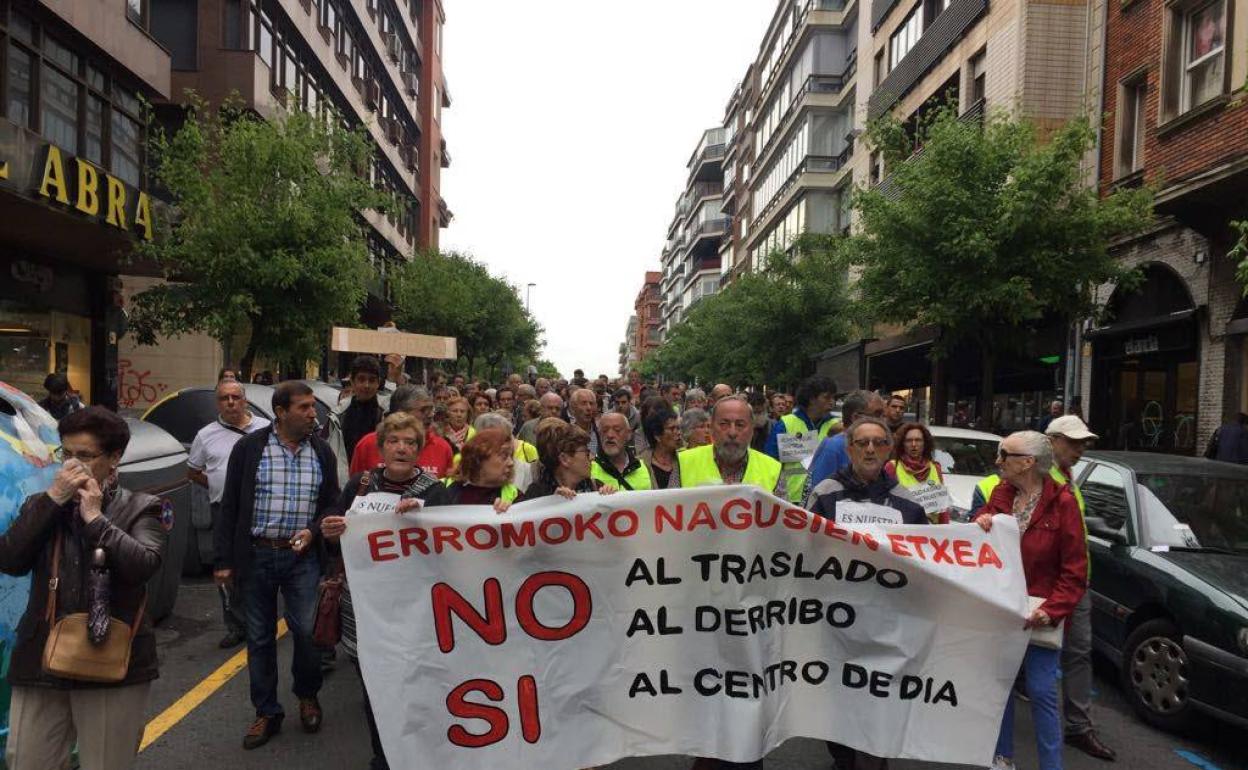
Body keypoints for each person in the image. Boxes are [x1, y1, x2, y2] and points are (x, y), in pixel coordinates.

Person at [0, 408, 166, 770]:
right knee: (26, 759)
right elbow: (10, 559)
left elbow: (143, 566)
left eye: (85, 456)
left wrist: (96, 521)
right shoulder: (41, 505)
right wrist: (52, 501)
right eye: (66, 454)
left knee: (105, 762)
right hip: (41, 658)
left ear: (114, 458)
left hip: (109, 656)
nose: (72, 466)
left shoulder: (142, 508)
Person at [216, 381, 340, 749]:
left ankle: (307, 693)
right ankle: (267, 711)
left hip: (301, 558)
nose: (311, 413)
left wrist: (313, 530)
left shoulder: (321, 453)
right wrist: (224, 560)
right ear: (281, 411)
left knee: (305, 631)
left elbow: (331, 504)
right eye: (303, 407)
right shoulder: (249, 449)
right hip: (256, 556)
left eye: (312, 407)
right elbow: (230, 506)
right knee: (259, 638)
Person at [322, 413, 447, 770]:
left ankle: (420, 756)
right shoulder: (360, 486)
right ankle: (384, 757)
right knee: (376, 690)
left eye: (410, 442)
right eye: (394, 441)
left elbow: (450, 549)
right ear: (381, 447)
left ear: (420, 450)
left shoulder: (436, 492)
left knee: (417, 688)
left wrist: (421, 519)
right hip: (366, 610)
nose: (402, 448)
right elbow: (338, 538)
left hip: (416, 611)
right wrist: (330, 533)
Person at [804, 415, 926, 770]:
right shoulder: (826, 493)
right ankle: (843, 758)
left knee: (879, 695)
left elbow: (926, 563)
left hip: (886, 622)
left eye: (879, 442)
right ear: (849, 448)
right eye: (862, 443)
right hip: (836, 617)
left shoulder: (908, 504)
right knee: (838, 694)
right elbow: (805, 550)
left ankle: (874, 757)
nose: (870, 449)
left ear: (889, 449)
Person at [975, 431, 1088, 770]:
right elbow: (983, 529)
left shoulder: (1064, 503)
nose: (998, 461)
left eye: (1004, 454)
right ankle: (1002, 757)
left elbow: (1074, 571)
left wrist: (1050, 611)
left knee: (1041, 691)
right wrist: (980, 520)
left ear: (1027, 462)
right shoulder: (1001, 492)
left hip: (1040, 612)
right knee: (1002, 687)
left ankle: (1051, 765)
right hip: (1003, 608)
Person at [1043, 416, 1115, 761]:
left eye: (1083, 442)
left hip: (1077, 583)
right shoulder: (1039, 477)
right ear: (1052, 440)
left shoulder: (1070, 478)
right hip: (1044, 583)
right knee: (1033, 653)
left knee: (1079, 652)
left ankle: (1078, 727)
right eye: (1073, 442)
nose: (1080, 448)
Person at [188, 379, 271, 648]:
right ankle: (235, 625)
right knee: (226, 568)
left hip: (261, 508)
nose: (231, 402)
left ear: (245, 400)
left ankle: (263, 619)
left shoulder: (266, 428)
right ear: (218, 403)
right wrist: (218, 486)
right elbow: (193, 471)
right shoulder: (205, 435)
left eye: (236, 397)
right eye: (225, 398)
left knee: (261, 564)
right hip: (223, 510)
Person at [668, 396, 782, 496]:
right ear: (711, 428)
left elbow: (784, 518)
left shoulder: (773, 470)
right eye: (724, 424)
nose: (732, 432)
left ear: (752, 429)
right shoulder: (683, 463)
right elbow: (669, 510)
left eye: (740, 425)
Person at [349, 386, 455, 479]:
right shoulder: (368, 444)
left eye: (431, 410)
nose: (430, 415)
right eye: (423, 410)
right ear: (401, 412)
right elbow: (354, 491)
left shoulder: (443, 448)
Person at [764, 376, 838, 503]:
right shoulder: (786, 423)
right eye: (827, 397)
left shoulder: (837, 426)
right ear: (811, 399)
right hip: (791, 498)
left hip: (826, 497)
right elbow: (770, 462)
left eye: (833, 397)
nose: (832, 402)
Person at [804, 390, 886, 500]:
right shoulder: (834, 447)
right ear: (856, 418)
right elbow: (820, 496)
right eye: (877, 415)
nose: (883, 421)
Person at [327, 356, 389, 486]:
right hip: (345, 484)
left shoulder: (388, 415)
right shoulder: (338, 415)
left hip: (379, 485)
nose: (366, 385)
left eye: (372, 380)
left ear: (378, 383)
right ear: (352, 381)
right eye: (361, 379)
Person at [522, 419, 615, 499]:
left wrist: (609, 499)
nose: (592, 457)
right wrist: (551, 504)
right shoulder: (536, 494)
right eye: (586, 453)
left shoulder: (596, 486)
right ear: (565, 459)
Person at [883, 422, 950, 524]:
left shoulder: (935, 468)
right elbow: (886, 506)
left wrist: (946, 530)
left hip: (932, 532)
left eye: (918, 440)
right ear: (902, 444)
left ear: (925, 443)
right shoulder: (892, 467)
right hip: (904, 531)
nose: (914, 444)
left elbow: (943, 509)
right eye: (909, 441)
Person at [444, 428, 519, 510]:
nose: (511, 463)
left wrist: (510, 513)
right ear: (479, 459)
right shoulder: (447, 493)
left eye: (511, 456)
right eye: (504, 456)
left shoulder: (515, 496)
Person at [591, 412, 652, 490]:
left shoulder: (644, 467)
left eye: (617, 430)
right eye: (605, 430)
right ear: (599, 435)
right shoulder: (589, 469)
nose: (610, 435)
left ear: (629, 434)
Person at [640, 405, 680, 489]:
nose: (678, 433)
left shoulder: (683, 459)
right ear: (657, 435)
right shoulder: (641, 463)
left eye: (678, 428)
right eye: (672, 429)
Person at [568, 388, 601, 455]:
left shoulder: (600, 432)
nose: (589, 408)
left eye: (591, 403)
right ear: (573, 407)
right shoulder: (567, 434)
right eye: (583, 403)